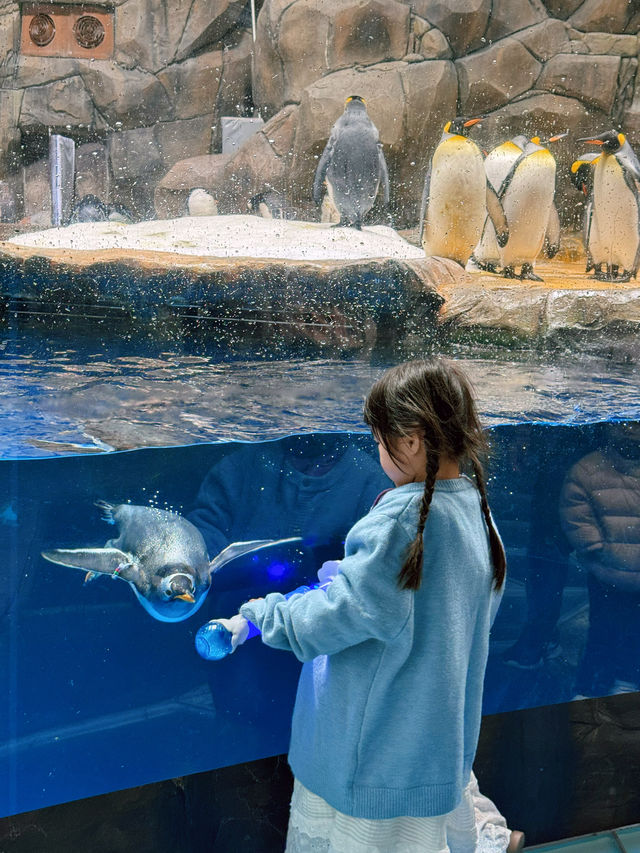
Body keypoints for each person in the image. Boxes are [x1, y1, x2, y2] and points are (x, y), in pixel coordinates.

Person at [211, 358, 507, 852]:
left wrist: (265, 613)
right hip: (430, 747)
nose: (376, 452)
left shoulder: (399, 524)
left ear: (410, 439)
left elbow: (336, 619)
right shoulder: (476, 509)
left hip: (370, 761)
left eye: (379, 439)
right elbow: (406, 606)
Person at [559, 421, 640, 697]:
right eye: (625, 423)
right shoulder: (587, 469)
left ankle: (625, 682)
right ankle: (588, 687)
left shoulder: (586, 468)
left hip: (613, 572)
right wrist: (595, 549)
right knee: (602, 633)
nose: (631, 430)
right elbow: (575, 511)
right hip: (606, 574)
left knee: (633, 633)